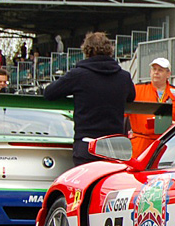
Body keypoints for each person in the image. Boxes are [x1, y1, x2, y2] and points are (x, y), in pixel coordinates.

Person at [43, 31, 135, 167]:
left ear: (87, 50)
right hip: (115, 146)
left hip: (87, 145)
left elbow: (49, 93)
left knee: (85, 187)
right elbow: (131, 97)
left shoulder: (78, 75)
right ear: (110, 50)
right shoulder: (124, 77)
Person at [129, 57, 175, 157]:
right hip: (140, 146)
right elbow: (121, 113)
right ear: (150, 72)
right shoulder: (137, 90)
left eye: (160, 70)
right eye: (154, 69)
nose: (156, 72)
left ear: (168, 74)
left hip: (167, 145)